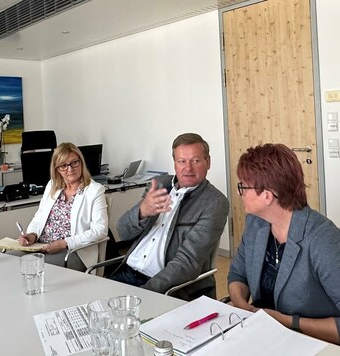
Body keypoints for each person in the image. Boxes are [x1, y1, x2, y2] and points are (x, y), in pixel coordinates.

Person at [228, 143, 340, 344]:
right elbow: (238, 274)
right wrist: (241, 305)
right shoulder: (256, 223)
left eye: (243, 186)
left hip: (311, 343)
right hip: (263, 337)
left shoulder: (323, 240)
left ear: (267, 196)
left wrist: (288, 322)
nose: (240, 193)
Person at [109, 133, 229, 300]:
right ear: (174, 164)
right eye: (182, 161)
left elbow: (187, 263)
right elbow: (122, 231)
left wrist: (146, 293)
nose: (188, 168)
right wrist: (142, 211)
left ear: (207, 162)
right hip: (126, 273)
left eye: (195, 161)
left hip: (164, 287)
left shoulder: (214, 202)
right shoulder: (159, 185)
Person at [18, 142, 108, 271]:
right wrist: (32, 235)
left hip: (73, 251)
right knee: (8, 260)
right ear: (57, 169)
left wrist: (65, 243)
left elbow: (100, 230)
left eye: (74, 163)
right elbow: (40, 216)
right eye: (64, 166)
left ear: (81, 163)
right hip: (41, 246)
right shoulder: (52, 185)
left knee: (35, 267)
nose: (70, 169)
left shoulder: (95, 190)